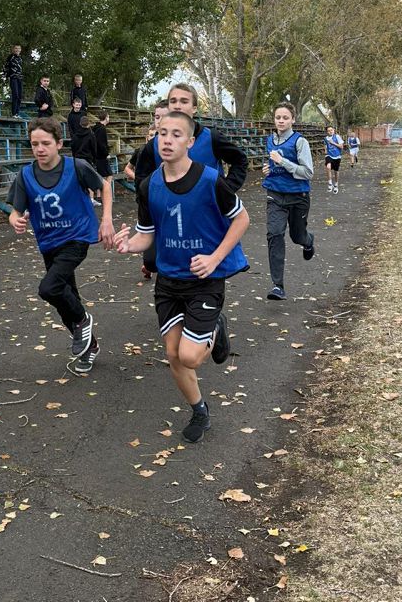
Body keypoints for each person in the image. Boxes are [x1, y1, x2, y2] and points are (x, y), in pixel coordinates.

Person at [114, 112, 250, 442]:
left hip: (204, 279)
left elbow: (242, 219)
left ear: (190, 142)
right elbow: (147, 235)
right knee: (174, 354)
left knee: (190, 355)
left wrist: (215, 258)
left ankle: (216, 328)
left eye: (176, 134)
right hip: (169, 283)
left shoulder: (209, 180)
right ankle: (199, 410)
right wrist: (128, 245)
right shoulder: (149, 186)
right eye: (162, 133)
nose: (167, 140)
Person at [7, 118, 115, 373]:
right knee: (66, 297)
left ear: (58, 143)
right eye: (34, 144)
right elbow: (15, 211)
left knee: (49, 288)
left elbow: (104, 186)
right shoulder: (25, 175)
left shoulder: (76, 166)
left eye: (45, 143)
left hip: (77, 237)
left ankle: (83, 320)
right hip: (48, 242)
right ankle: (89, 346)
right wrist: (16, 220)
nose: (39, 149)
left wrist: (106, 220)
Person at [135, 83, 248, 279]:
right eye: (173, 101)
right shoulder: (157, 143)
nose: (178, 105)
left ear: (194, 108)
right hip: (171, 215)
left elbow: (240, 160)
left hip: (204, 216)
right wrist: (149, 203)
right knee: (152, 262)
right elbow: (141, 177)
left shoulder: (211, 137)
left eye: (184, 101)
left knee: (203, 266)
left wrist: (226, 189)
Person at [262, 102, 315, 302]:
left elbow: (308, 172)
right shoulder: (270, 140)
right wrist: (268, 169)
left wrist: (282, 162)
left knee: (297, 236)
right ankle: (278, 286)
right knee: (274, 234)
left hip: (298, 196)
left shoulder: (300, 142)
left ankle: (308, 241)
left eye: (285, 118)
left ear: (293, 119)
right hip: (275, 194)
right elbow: (272, 164)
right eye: (278, 117)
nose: (281, 121)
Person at [92, 111, 113, 202]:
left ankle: (99, 195)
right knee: (109, 174)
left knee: (100, 175)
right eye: (108, 116)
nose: (109, 118)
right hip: (101, 156)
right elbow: (101, 143)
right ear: (106, 117)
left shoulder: (95, 128)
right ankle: (105, 193)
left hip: (97, 155)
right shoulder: (102, 129)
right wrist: (106, 154)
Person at [3, 44, 23, 118]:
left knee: (20, 96)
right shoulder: (10, 57)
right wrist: (5, 76)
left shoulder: (20, 58)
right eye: (16, 48)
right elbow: (5, 67)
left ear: (20, 50)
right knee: (15, 95)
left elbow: (20, 68)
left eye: (19, 48)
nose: (17, 50)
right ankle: (14, 113)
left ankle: (17, 113)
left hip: (19, 78)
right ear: (13, 49)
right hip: (13, 77)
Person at [324, 125, 344, 193]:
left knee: (336, 171)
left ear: (334, 130)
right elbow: (325, 146)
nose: (330, 131)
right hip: (329, 155)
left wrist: (333, 143)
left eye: (331, 130)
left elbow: (341, 147)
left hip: (337, 156)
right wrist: (325, 150)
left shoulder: (337, 136)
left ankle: (336, 184)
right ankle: (330, 183)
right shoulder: (325, 138)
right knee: (328, 167)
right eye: (328, 131)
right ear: (327, 132)